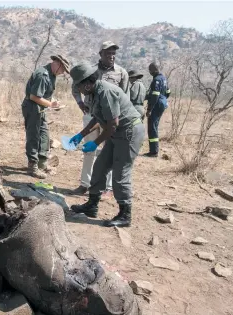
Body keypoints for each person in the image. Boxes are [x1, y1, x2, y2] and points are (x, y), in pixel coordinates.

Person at [68, 62, 145, 227]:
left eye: (78, 86)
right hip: (116, 131)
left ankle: (125, 214)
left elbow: (113, 124)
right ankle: (92, 205)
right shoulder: (94, 92)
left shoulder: (106, 92)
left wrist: (95, 143)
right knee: (100, 166)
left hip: (128, 131)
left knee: (120, 172)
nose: (78, 90)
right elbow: (98, 117)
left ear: (87, 83)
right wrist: (81, 135)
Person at [70, 41, 130, 197]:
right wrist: (80, 103)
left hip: (110, 119)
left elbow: (123, 96)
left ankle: (107, 187)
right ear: (100, 54)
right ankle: (85, 184)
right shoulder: (89, 71)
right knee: (88, 150)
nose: (111, 56)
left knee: (108, 151)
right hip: (92, 115)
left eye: (113, 53)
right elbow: (75, 88)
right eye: (108, 53)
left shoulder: (121, 73)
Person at [22, 54, 70, 179]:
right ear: (57, 64)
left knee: (44, 135)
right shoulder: (43, 75)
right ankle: (32, 166)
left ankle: (42, 163)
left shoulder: (51, 75)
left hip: (40, 109)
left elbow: (45, 95)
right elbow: (34, 96)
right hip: (32, 108)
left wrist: (53, 102)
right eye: (63, 69)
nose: (62, 73)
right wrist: (51, 105)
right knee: (33, 136)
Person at [144, 62, 170, 157]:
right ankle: (154, 150)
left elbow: (155, 96)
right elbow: (168, 92)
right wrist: (163, 99)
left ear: (153, 70)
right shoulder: (164, 78)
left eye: (150, 70)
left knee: (152, 127)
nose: (150, 72)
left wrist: (149, 109)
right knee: (154, 126)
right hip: (162, 103)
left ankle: (153, 152)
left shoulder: (156, 80)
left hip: (156, 104)